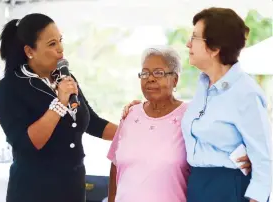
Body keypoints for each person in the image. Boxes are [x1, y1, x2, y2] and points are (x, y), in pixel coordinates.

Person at [123, 7, 272, 202]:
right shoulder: (203, 86)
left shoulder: (245, 93)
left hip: (228, 188)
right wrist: (143, 109)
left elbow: (264, 162)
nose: (187, 44)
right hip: (197, 186)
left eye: (194, 38)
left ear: (215, 48)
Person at [0, 13, 117, 202]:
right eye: (52, 44)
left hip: (73, 188)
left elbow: (92, 123)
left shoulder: (65, 79)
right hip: (34, 191)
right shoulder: (9, 88)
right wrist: (59, 104)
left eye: (60, 41)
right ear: (29, 51)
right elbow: (28, 144)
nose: (60, 49)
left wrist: (134, 131)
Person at [107, 46, 251, 202]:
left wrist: (251, 156)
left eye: (158, 73)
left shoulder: (192, 116)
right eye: (145, 73)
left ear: (175, 79)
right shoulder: (130, 115)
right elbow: (115, 166)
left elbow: (229, 144)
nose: (150, 78)